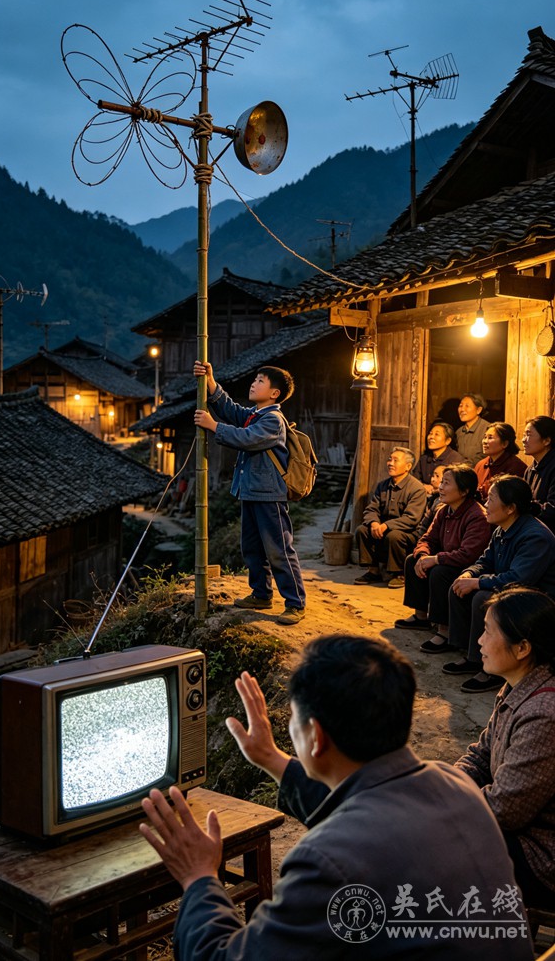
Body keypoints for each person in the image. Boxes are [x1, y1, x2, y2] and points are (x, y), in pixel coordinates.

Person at [139, 636, 532, 960]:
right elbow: (366, 816)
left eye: (292, 720)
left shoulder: (323, 863)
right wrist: (273, 759)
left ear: (316, 736)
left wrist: (199, 877)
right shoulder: (456, 785)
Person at [455, 586, 555, 910]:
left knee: (432, 848)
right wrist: (449, 783)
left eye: (487, 632)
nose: (479, 641)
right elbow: (481, 754)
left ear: (523, 647)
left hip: (542, 856)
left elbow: (504, 811)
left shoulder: (544, 713)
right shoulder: (517, 686)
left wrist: (443, 806)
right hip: (519, 833)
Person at [193, 361, 306, 625]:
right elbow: (231, 411)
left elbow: (247, 438)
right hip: (252, 492)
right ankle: (261, 594)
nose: (254, 384)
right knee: (252, 547)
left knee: (279, 549)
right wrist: (211, 382)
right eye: (255, 379)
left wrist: (213, 426)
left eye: (260, 381)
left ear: (274, 393)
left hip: (269, 494)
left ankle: (295, 603)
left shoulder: (273, 420)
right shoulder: (256, 414)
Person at [443, 475, 555, 693]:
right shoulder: (501, 529)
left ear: (510, 507)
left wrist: (478, 583)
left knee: (483, 597)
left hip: (537, 598)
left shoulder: (535, 536)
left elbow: (519, 579)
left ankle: (490, 671)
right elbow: (485, 561)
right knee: (460, 584)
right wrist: (468, 574)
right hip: (514, 590)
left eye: (491, 499)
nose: (486, 504)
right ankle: (472, 655)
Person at [395, 465, 491, 632]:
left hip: (468, 568)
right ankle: (421, 617)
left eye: (446, 483)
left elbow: (468, 555)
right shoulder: (443, 511)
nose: (440, 487)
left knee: (440, 572)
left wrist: (436, 559)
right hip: (447, 559)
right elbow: (427, 539)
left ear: (464, 491)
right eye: (442, 483)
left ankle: (444, 630)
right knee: (414, 560)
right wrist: (423, 555)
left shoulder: (477, 516)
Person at [354, 447, 427, 588]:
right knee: (362, 530)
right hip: (383, 528)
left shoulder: (416, 488)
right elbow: (371, 509)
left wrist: (387, 525)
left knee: (394, 536)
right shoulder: (382, 485)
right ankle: (373, 571)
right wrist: (374, 523)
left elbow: (412, 518)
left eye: (395, 460)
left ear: (408, 467)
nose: (390, 463)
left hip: (407, 532)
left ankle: (399, 573)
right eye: (389, 459)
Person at [475, 422, 526, 502]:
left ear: (505, 444)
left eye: (490, 438)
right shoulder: (480, 464)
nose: (485, 441)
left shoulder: (516, 467)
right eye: (485, 437)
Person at [522, 415, 555, 533]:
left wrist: (525, 508)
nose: (523, 440)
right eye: (523, 435)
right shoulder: (530, 469)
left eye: (528, 435)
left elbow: (552, 509)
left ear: (546, 440)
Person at [412, 422, 465, 491]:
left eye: (437, 434)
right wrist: (423, 486)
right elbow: (414, 479)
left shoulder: (456, 460)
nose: (431, 437)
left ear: (448, 441)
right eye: (430, 433)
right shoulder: (424, 459)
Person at [455, 393, 489, 466]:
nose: (462, 409)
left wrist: (464, 465)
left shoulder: (487, 429)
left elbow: (486, 455)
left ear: (478, 410)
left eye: (467, 406)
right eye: (461, 406)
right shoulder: (458, 432)